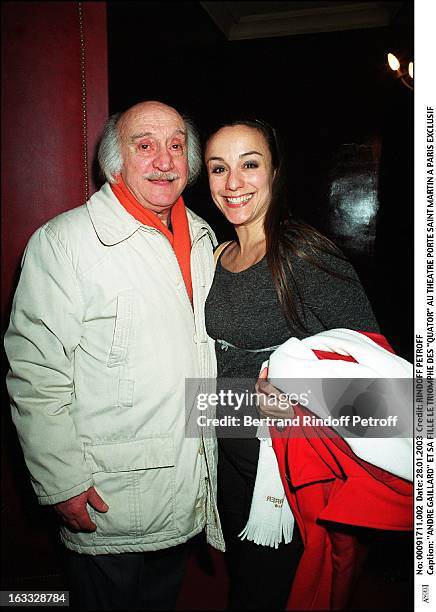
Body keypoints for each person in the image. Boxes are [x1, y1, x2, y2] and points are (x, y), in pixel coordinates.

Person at [4, 100, 224, 610]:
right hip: (106, 497)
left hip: (185, 482)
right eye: (144, 146)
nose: (165, 161)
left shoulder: (205, 239)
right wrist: (61, 481)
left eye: (176, 146)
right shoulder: (65, 242)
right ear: (115, 161)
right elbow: (35, 372)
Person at [203, 119, 380, 610]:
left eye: (250, 165)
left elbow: (388, 387)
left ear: (275, 173)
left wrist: (305, 392)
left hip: (285, 477)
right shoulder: (218, 257)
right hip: (229, 468)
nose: (233, 182)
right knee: (247, 587)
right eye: (219, 168)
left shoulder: (300, 253)